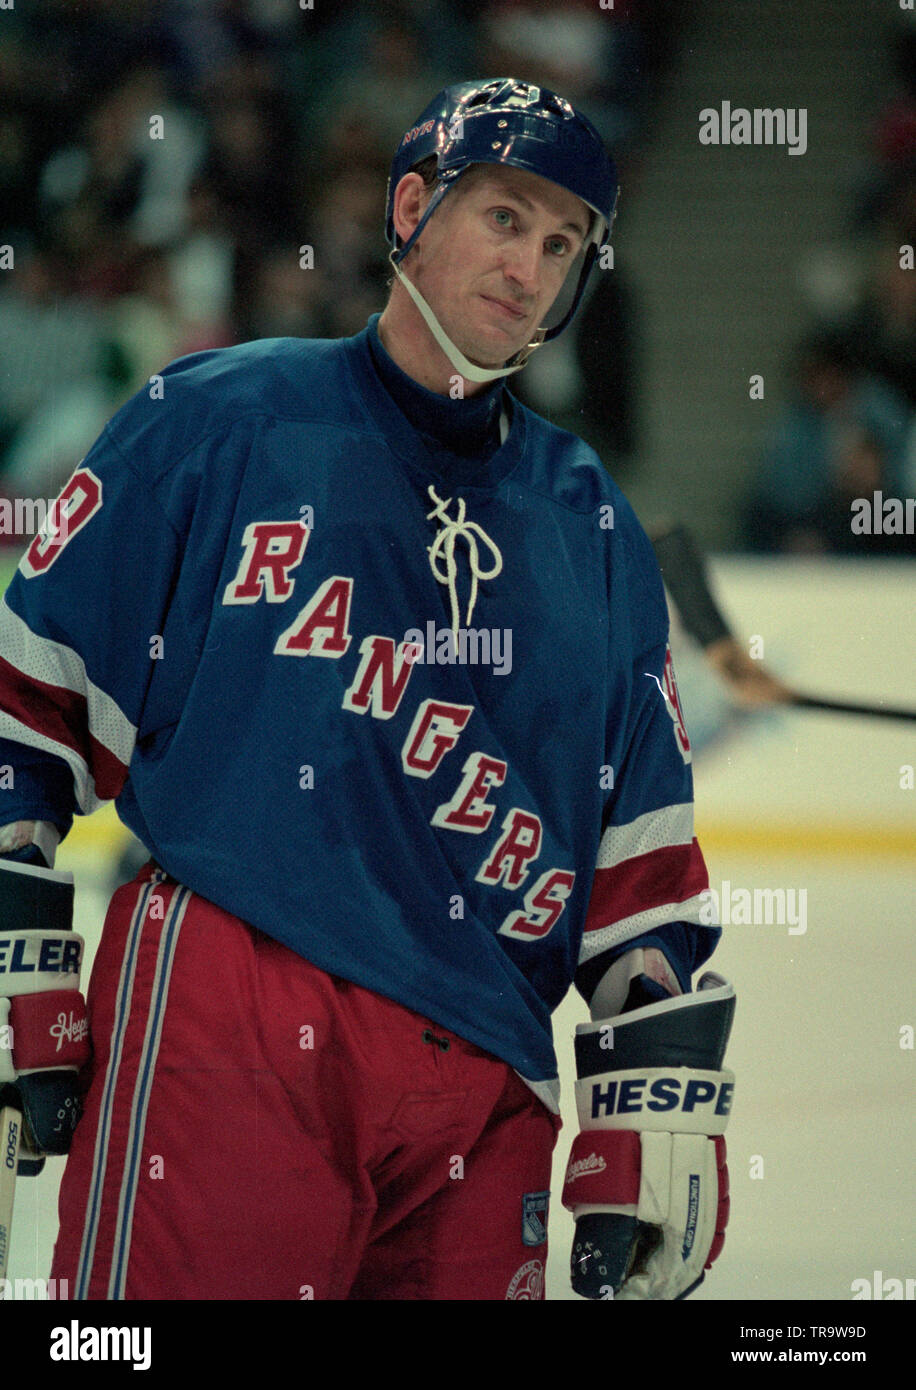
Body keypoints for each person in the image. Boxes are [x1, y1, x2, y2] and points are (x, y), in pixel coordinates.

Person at [0, 79, 734, 1301]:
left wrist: (655, 1096)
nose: (532, 269)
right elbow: (28, 706)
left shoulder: (588, 519)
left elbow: (640, 845)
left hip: (489, 1071)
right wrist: (15, 942)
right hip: (234, 1011)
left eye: (563, 245)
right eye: (504, 218)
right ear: (410, 207)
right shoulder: (214, 424)